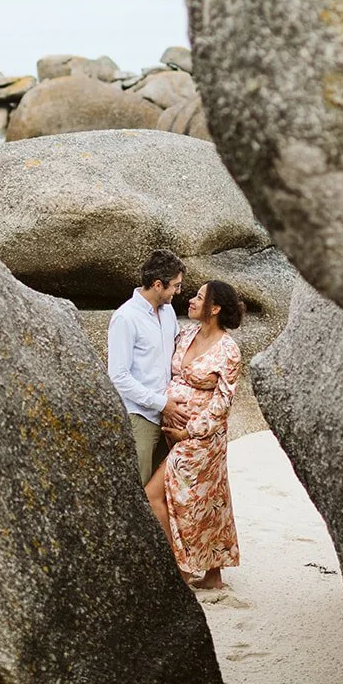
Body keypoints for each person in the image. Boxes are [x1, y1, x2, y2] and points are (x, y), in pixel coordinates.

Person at [145, 280, 243, 589]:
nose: (191, 300)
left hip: (201, 439)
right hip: (174, 428)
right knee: (210, 499)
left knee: (160, 496)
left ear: (214, 309)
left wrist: (187, 431)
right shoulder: (186, 334)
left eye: (199, 297)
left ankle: (180, 569)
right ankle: (213, 575)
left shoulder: (229, 350)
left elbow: (222, 404)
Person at [107, 249, 185, 485]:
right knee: (139, 486)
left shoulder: (169, 312)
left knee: (164, 491)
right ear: (158, 285)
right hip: (141, 417)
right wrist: (161, 404)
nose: (178, 292)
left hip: (169, 417)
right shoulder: (125, 318)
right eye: (175, 286)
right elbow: (118, 376)